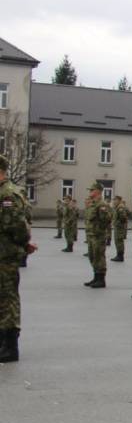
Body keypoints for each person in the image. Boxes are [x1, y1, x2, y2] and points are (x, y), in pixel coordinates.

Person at [0, 154, 35, 363]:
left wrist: (23, 244)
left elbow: (18, 226)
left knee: (7, 298)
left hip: (6, 254)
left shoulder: (8, 195)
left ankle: (10, 346)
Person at [83, 182, 113, 288]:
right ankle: (96, 277)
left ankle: (101, 279)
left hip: (98, 235)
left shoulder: (102, 205)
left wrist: (100, 229)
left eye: (92, 190)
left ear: (98, 191)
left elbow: (107, 219)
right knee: (92, 257)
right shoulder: (93, 204)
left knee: (99, 257)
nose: (90, 192)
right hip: (91, 235)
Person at [111, 195, 130, 262]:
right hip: (118, 227)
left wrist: (119, 223)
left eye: (115, 200)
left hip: (119, 227)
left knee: (119, 241)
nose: (114, 201)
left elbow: (123, 217)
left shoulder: (120, 207)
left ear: (119, 200)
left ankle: (120, 256)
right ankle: (118, 255)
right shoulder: (117, 207)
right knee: (117, 241)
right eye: (114, 200)